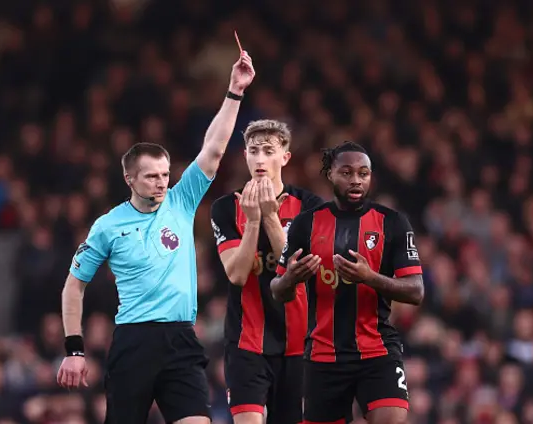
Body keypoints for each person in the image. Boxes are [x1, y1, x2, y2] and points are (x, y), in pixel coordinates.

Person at [56, 50, 256, 424]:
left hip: (181, 339)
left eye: (165, 174)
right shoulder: (108, 225)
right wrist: (74, 349)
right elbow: (73, 287)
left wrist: (234, 92)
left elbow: (213, 149)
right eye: (152, 176)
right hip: (134, 342)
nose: (162, 181)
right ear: (129, 179)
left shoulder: (180, 202)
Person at [271, 141, 424, 424]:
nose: (356, 180)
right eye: (347, 172)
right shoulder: (305, 224)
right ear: (330, 174)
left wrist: (370, 278)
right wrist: (291, 278)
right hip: (323, 356)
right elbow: (277, 290)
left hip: (377, 350)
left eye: (363, 173)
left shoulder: (393, 223)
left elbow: (416, 291)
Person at [210, 119, 324, 424]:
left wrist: (270, 215)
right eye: (253, 151)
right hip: (246, 341)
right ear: (245, 156)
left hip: (299, 343)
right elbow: (236, 274)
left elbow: (297, 268)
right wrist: (254, 222)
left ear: (285, 157)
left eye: (268, 151)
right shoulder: (225, 207)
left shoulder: (311, 206)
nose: (260, 159)